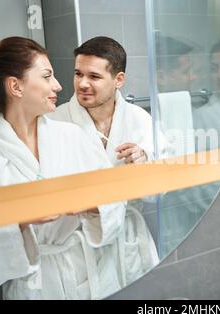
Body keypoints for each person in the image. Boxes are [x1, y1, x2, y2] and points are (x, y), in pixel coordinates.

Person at [0, 37, 127, 300]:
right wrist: (22, 220)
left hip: (91, 276)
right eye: (47, 76)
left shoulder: (74, 136)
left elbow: (116, 198)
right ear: (16, 86)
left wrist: (91, 206)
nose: (58, 86)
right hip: (34, 288)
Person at [48, 36, 160, 284]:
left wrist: (145, 159)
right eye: (78, 74)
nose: (82, 83)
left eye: (94, 77)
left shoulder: (139, 119)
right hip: (79, 245)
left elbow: (162, 184)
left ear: (118, 80)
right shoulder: (54, 121)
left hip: (128, 238)